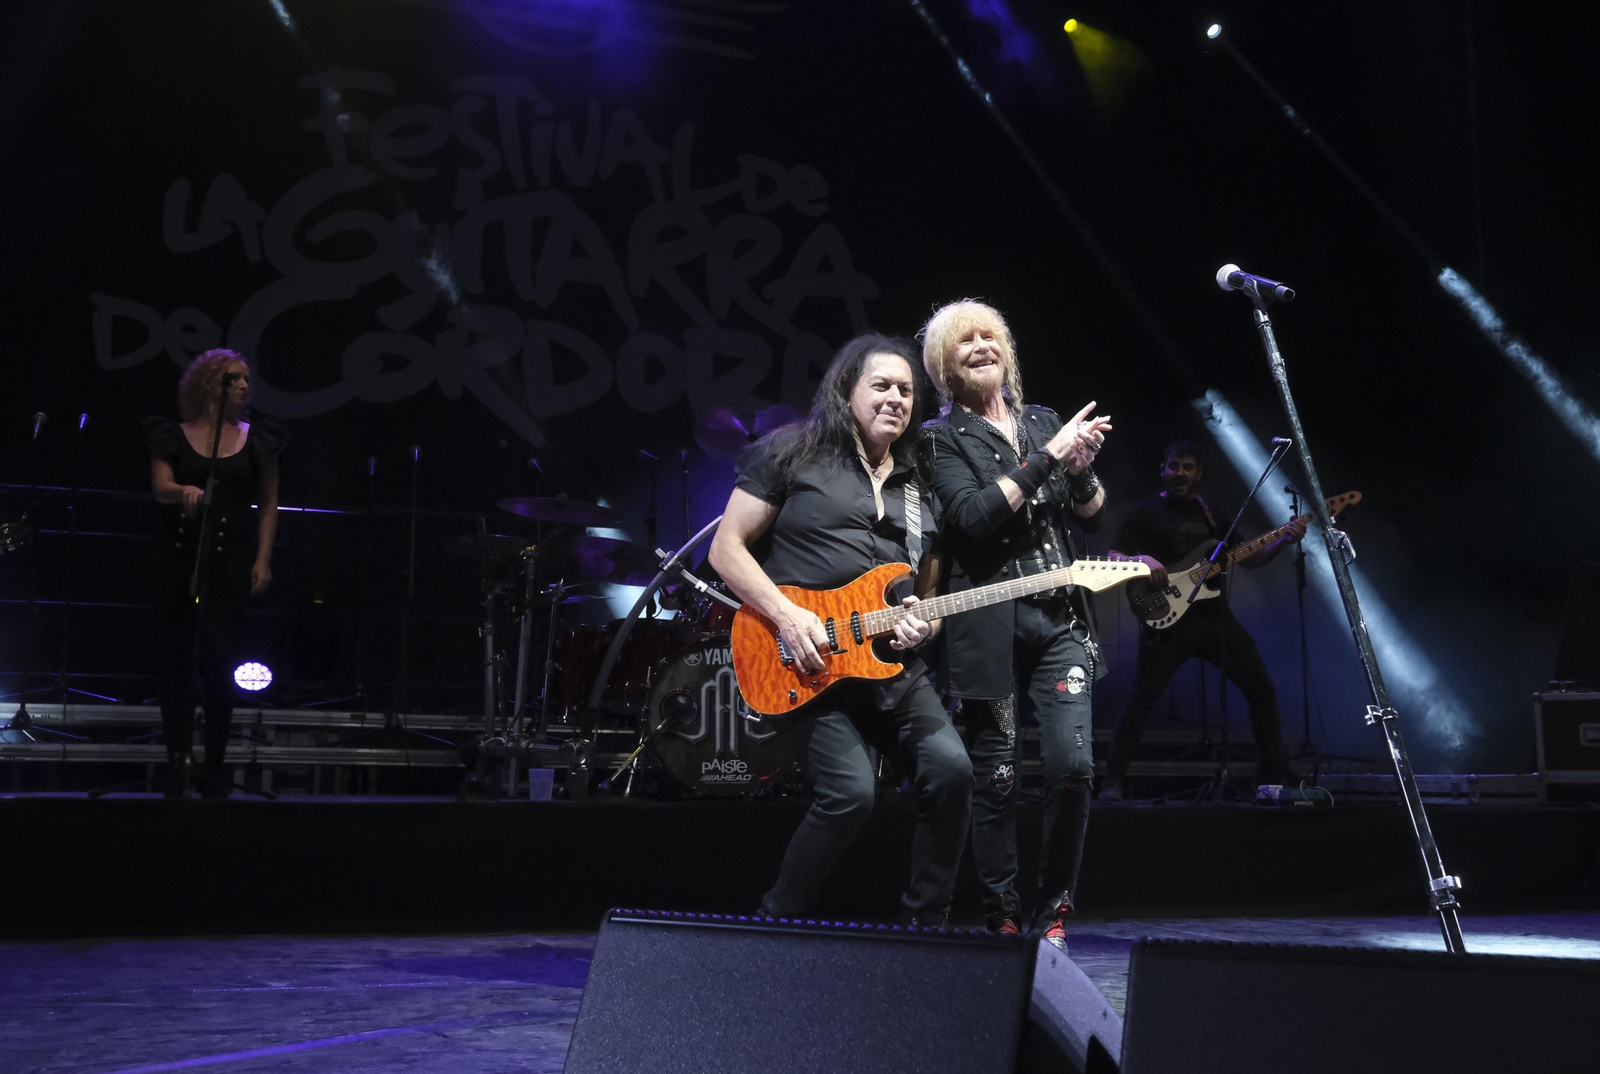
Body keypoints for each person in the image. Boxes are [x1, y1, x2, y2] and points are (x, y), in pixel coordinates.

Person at [709, 333, 972, 925]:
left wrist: (922, 627)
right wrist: (784, 613)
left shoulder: (919, 485)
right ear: (846, 390)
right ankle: (778, 918)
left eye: (906, 390)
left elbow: (925, 594)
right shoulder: (791, 452)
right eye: (881, 385)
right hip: (802, 655)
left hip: (890, 666)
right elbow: (727, 551)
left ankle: (927, 925)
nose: (895, 399)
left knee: (952, 772)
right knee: (850, 794)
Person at [917, 299, 1111, 948]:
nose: (980, 346)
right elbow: (971, 518)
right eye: (964, 341)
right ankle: (1000, 912)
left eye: (989, 336)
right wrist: (1049, 457)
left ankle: (1053, 911)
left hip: (1060, 625)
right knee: (997, 777)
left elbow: (1089, 514)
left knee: (1073, 767)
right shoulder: (939, 439)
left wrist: (1080, 471)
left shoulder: (1042, 422)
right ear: (945, 365)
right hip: (987, 628)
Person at [1101, 440, 1304, 800]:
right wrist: (1144, 560)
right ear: (1162, 469)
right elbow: (1113, 554)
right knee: (1141, 702)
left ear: (1198, 473)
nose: (1180, 473)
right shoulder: (1144, 513)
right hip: (1165, 620)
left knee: (1262, 689)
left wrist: (1284, 540)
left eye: (1187, 467)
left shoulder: (1213, 512)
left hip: (1214, 618)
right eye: (1174, 466)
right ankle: (1113, 781)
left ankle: (1273, 777)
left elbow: (1250, 559)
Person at [145, 349, 284, 797]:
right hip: (181, 555)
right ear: (210, 383)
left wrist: (262, 559)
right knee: (176, 659)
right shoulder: (174, 435)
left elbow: (268, 503)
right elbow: (160, 486)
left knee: (220, 658)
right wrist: (182, 491)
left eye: (246, 378)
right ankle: (176, 761)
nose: (244, 385)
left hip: (231, 558)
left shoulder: (258, 438)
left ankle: (216, 766)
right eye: (234, 378)